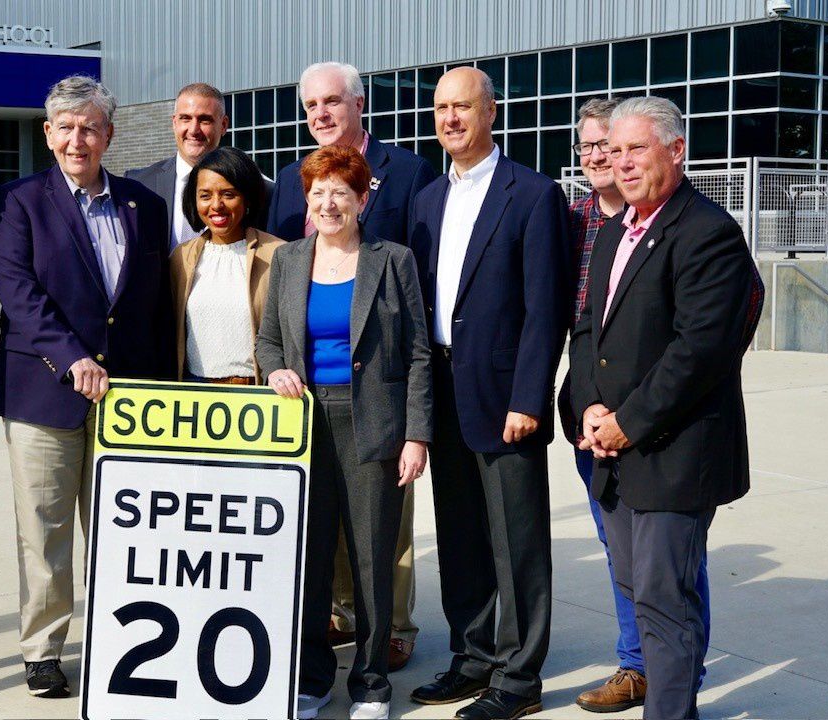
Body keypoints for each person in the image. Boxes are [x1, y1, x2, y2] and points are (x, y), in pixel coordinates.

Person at [569, 96, 761, 720]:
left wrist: (627, 423)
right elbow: (587, 335)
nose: (619, 163)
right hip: (614, 451)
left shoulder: (709, 233)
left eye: (635, 150)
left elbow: (699, 353)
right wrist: (589, 408)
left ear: (676, 152)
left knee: (664, 599)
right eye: (612, 150)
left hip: (675, 456)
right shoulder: (614, 234)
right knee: (637, 589)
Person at [0, 75, 173, 700]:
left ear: (109, 136)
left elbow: (150, 305)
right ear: (47, 134)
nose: (77, 139)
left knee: (123, 530)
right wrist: (72, 359)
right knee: (44, 530)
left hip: (128, 402)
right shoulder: (19, 202)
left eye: (89, 127)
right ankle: (43, 651)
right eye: (65, 128)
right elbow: (18, 292)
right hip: (45, 394)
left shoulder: (143, 204)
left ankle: (123, 644)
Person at [408, 67, 570, 720]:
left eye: (462, 107)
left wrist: (529, 398)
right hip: (444, 389)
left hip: (506, 397)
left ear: (491, 112)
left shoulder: (532, 195)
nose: (450, 119)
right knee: (460, 538)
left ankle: (518, 679)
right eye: (442, 108)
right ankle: (471, 658)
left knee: (518, 543)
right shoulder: (425, 200)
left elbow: (546, 309)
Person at [267, 60, 437, 670]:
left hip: (380, 393)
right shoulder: (291, 182)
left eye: (332, 101)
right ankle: (337, 622)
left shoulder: (411, 172)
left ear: (358, 104)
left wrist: (417, 427)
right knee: (320, 535)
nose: (321, 114)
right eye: (311, 104)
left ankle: (391, 629)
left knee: (384, 533)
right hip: (311, 403)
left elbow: (421, 294)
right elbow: (281, 312)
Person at [170, 146, 283, 382]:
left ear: (247, 198)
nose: (216, 205)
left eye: (228, 194)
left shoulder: (278, 254)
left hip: (257, 392)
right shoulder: (180, 258)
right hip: (195, 389)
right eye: (205, 195)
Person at [127, 83, 234, 252]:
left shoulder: (252, 188)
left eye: (204, 119)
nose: (193, 129)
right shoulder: (137, 184)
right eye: (186, 118)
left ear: (223, 125)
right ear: (174, 123)